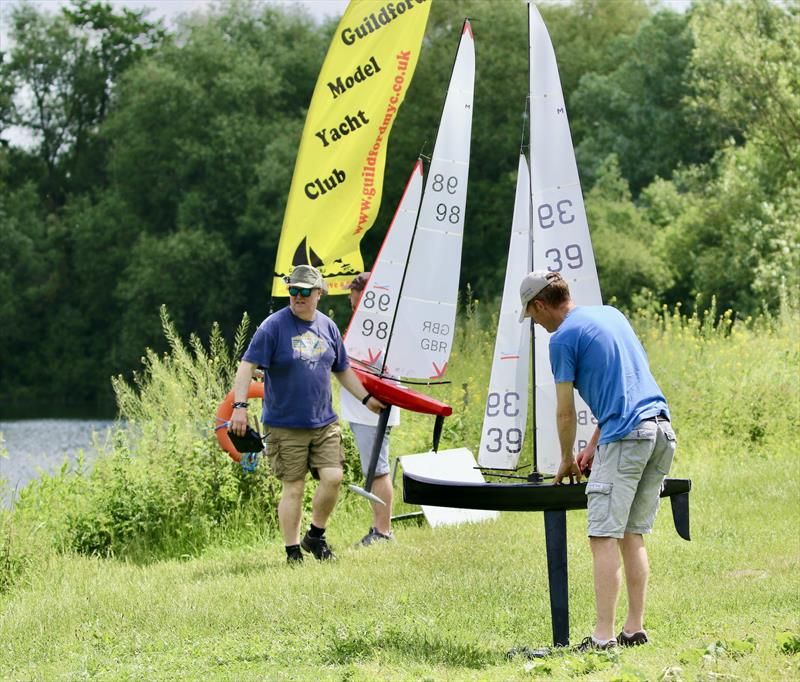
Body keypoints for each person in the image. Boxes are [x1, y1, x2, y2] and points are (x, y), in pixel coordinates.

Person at [520, 270, 677, 651]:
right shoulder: (611, 315)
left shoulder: (562, 339)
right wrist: (592, 447)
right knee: (631, 533)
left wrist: (565, 459)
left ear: (541, 305)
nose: (535, 325)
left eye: (532, 316)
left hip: (627, 438)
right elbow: (627, 389)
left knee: (603, 534)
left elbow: (564, 412)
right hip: (659, 431)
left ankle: (603, 638)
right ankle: (633, 630)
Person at [230, 265, 385, 564]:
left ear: (319, 294)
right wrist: (239, 408)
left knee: (333, 477)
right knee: (294, 487)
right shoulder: (272, 327)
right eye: (293, 291)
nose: (298, 297)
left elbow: (343, 370)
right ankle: (292, 553)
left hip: (323, 422)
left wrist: (367, 399)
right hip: (284, 425)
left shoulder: (327, 327)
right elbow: (246, 367)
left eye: (304, 291)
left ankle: (315, 536)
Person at [341, 272, 400, 546]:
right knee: (374, 468)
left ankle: (383, 531)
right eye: (352, 306)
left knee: (378, 469)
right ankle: (380, 528)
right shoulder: (367, 327)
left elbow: (365, 367)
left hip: (372, 409)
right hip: (363, 410)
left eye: (357, 304)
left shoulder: (381, 328)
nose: (355, 311)